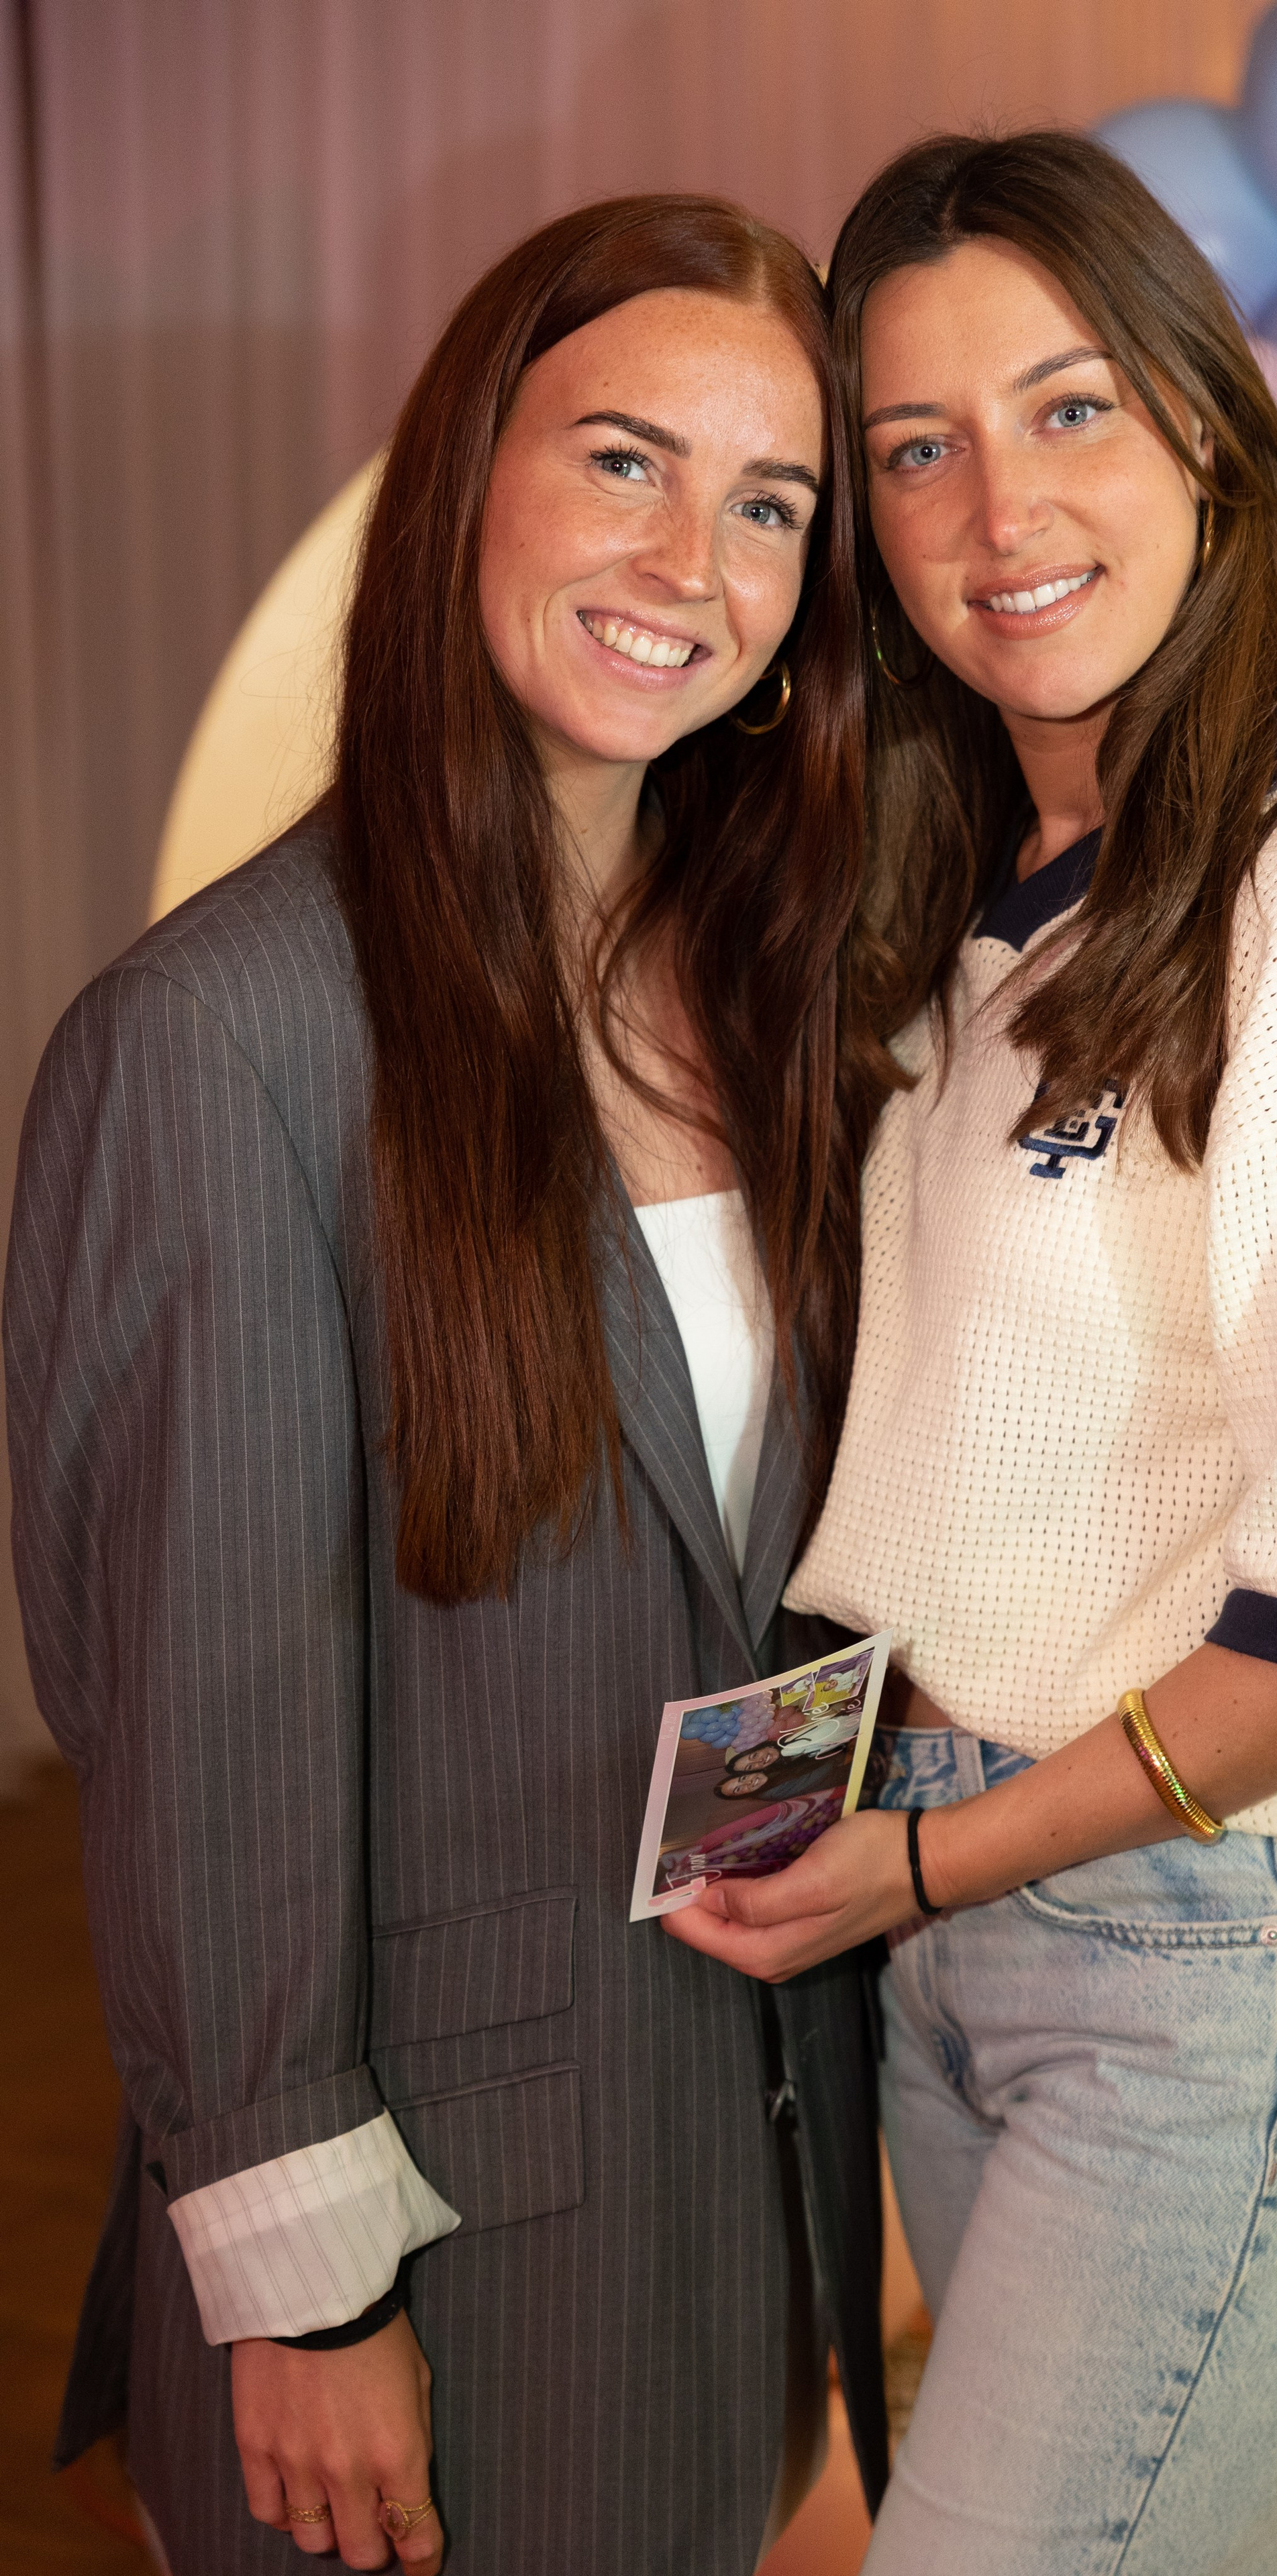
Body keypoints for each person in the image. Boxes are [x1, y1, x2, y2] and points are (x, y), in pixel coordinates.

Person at [664, 132, 1277, 2576]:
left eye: (1069, 409)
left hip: (1236, 1954)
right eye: (914, 450)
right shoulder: (973, 942)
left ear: (1204, 428)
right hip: (990, 1949)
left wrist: (923, 1861)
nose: (999, 509)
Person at [6, 193, 892, 2576]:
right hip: (425, 2231)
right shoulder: (219, 1043)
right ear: (469, 471)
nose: (689, 557)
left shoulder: (777, 1000)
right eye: (625, 458)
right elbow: (206, 1725)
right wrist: (306, 2298)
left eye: (772, 504)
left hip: (738, 2165)